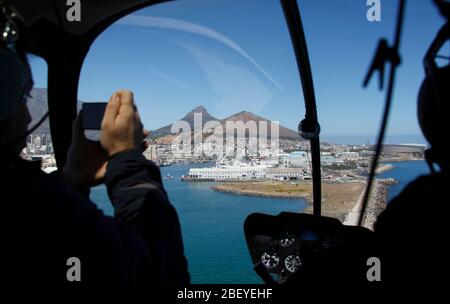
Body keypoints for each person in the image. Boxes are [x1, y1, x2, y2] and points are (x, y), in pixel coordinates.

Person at [0, 1, 189, 287]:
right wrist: (128, 161)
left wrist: (71, 179)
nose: (27, 116)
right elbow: (163, 272)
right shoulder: (30, 201)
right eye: (22, 96)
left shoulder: (25, 202)